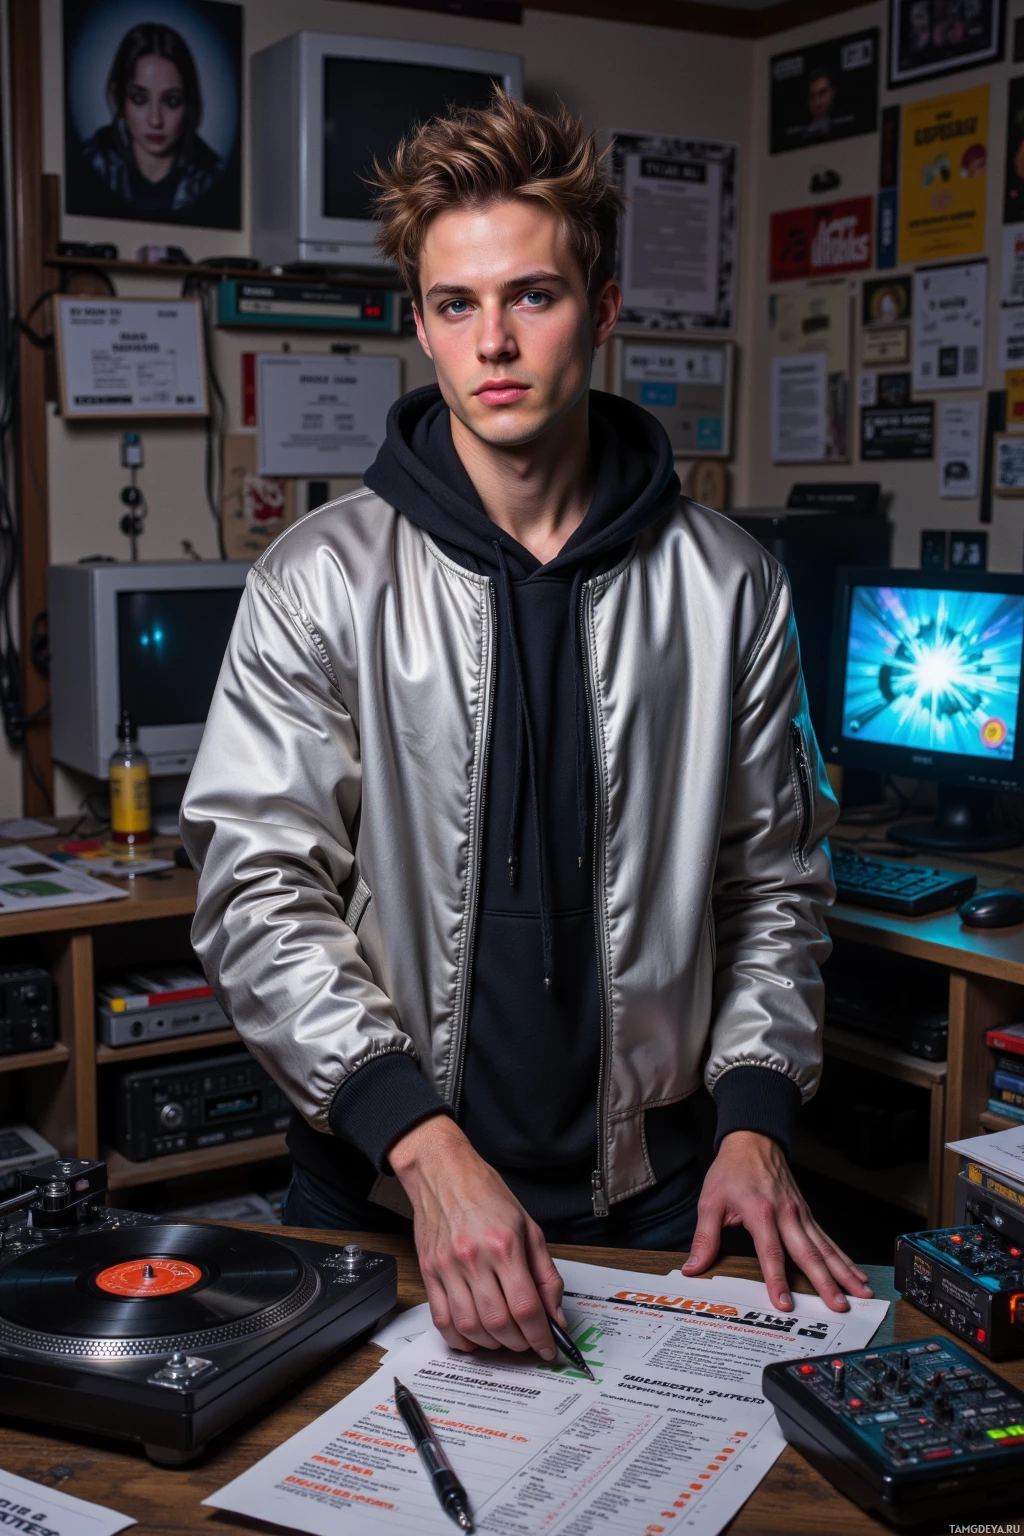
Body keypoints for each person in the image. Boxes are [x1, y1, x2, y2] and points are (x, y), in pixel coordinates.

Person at [181, 91, 871, 1366]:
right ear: (423, 327)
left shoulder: (729, 584)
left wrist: (755, 1119)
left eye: (533, 297)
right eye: (457, 305)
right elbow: (259, 890)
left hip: (665, 1201)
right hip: (386, 1193)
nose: (494, 341)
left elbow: (774, 883)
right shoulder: (319, 576)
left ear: (601, 310)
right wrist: (420, 1144)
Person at [77, 22, 223, 219]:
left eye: (171, 101)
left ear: (189, 103)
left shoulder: (211, 176)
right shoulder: (93, 161)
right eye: (139, 99)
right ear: (118, 97)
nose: (155, 120)